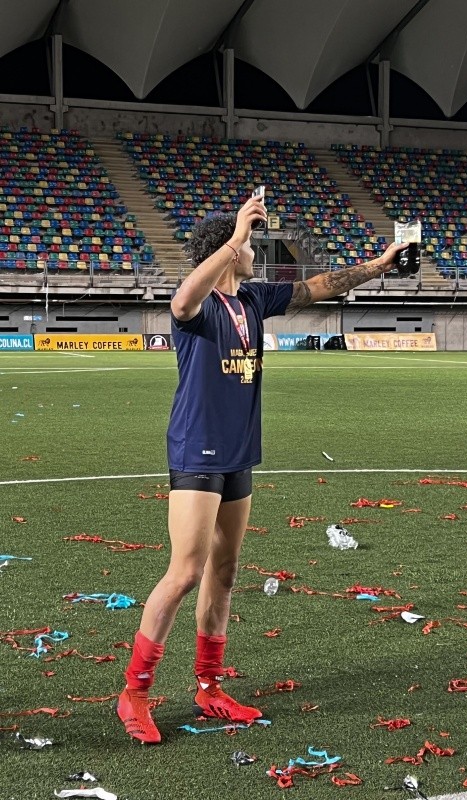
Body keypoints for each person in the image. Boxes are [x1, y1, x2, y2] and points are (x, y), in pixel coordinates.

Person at [117, 193, 407, 743]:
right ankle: (134, 692)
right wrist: (234, 238)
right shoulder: (198, 309)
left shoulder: (252, 298)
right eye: (250, 246)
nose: (255, 253)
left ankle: (208, 687)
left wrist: (378, 266)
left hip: (239, 450)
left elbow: (318, 287)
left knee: (224, 574)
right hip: (197, 448)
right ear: (228, 252)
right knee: (185, 573)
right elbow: (180, 301)